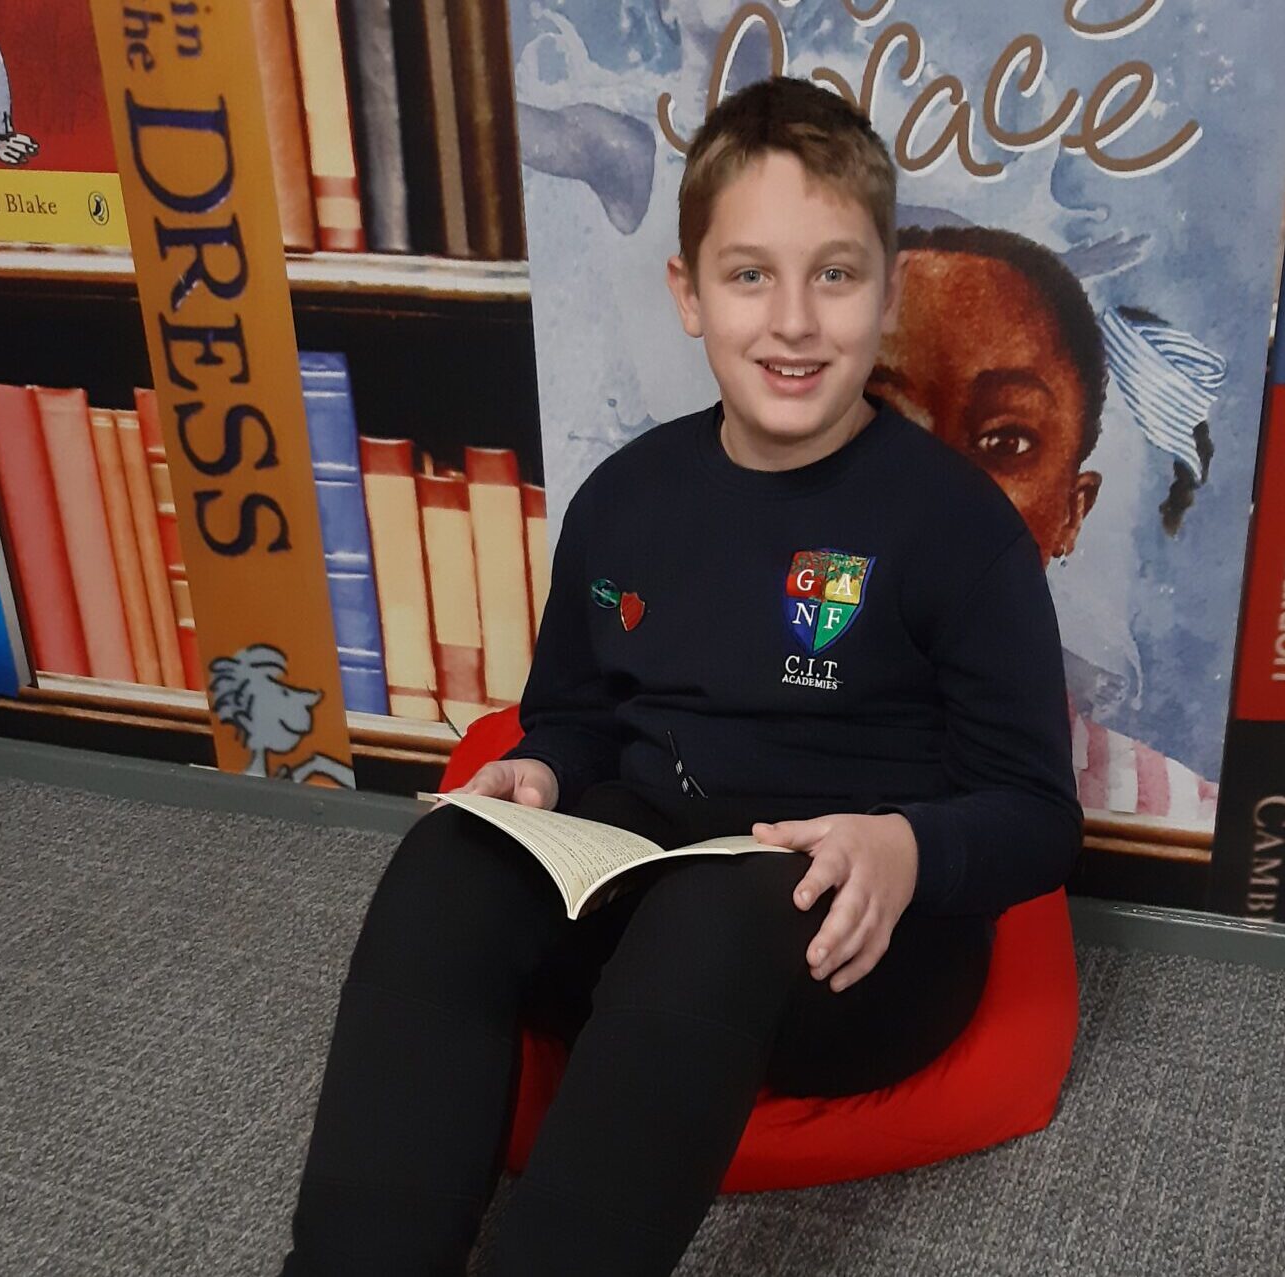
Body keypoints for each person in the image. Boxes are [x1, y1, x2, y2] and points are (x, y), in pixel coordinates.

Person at [280, 76, 1082, 1277]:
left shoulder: (959, 530)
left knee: (725, 907)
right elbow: (571, 712)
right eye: (750, 275)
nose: (793, 321)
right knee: (450, 857)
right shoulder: (626, 497)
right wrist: (541, 769)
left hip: (855, 940)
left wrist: (906, 848)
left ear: (887, 294)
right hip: (641, 873)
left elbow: (1036, 816)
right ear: (688, 294)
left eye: (835, 275)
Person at [872, 226, 1219, 823]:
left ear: (1072, 510)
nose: (937, 487)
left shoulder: (1176, 813)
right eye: (886, 425)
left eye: (1006, 441)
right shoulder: (747, 740)